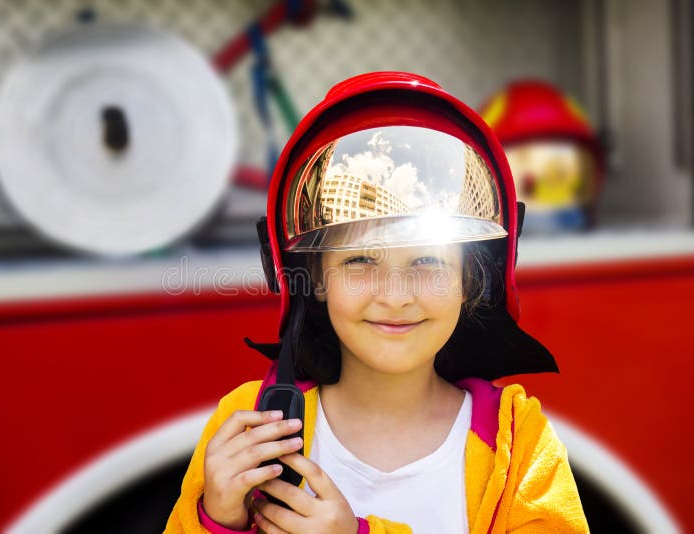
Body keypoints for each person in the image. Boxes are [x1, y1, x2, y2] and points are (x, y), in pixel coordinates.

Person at [164, 72, 589, 533]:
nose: (395, 295)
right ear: (316, 278)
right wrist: (219, 521)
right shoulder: (254, 426)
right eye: (361, 259)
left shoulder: (517, 440)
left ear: (470, 279)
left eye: (426, 260)